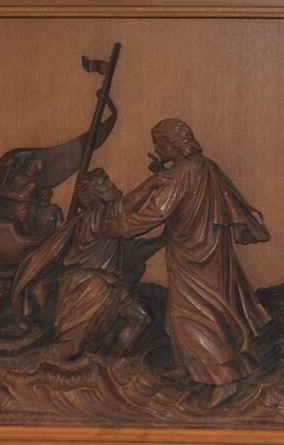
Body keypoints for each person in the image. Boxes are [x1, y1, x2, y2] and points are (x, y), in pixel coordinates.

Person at [104, 118, 273, 409]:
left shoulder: (181, 175)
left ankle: (223, 380)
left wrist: (119, 227)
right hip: (210, 252)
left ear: (172, 145)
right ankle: (196, 369)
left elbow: (155, 212)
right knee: (206, 313)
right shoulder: (204, 166)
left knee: (192, 318)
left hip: (194, 259)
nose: (156, 149)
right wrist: (163, 175)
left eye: (159, 144)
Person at [9, 168, 158, 359]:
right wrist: (152, 183)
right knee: (68, 349)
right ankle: (22, 364)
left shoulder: (105, 219)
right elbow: (126, 205)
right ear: (94, 197)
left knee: (141, 318)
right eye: (104, 184)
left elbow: (135, 251)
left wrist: (166, 237)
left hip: (109, 283)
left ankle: (109, 367)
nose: (111, 185)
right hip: (88, 285)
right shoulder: (95, 218)